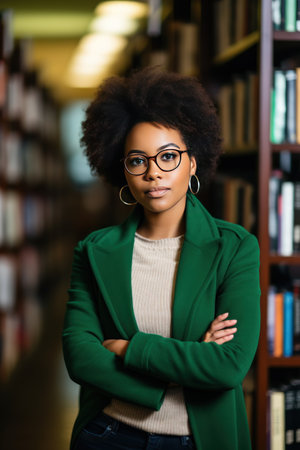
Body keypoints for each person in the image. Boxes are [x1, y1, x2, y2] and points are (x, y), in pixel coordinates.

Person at [62, 67, 261, 450]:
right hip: (108, 435)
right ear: (123, 170)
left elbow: (228, 365)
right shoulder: (93, 250)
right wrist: (185, 367)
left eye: (168, 156)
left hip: (198, 439)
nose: (154, 174)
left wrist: (127, 350)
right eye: (137, 161)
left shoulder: (235, 248)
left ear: (193, 162)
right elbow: (80, 358)